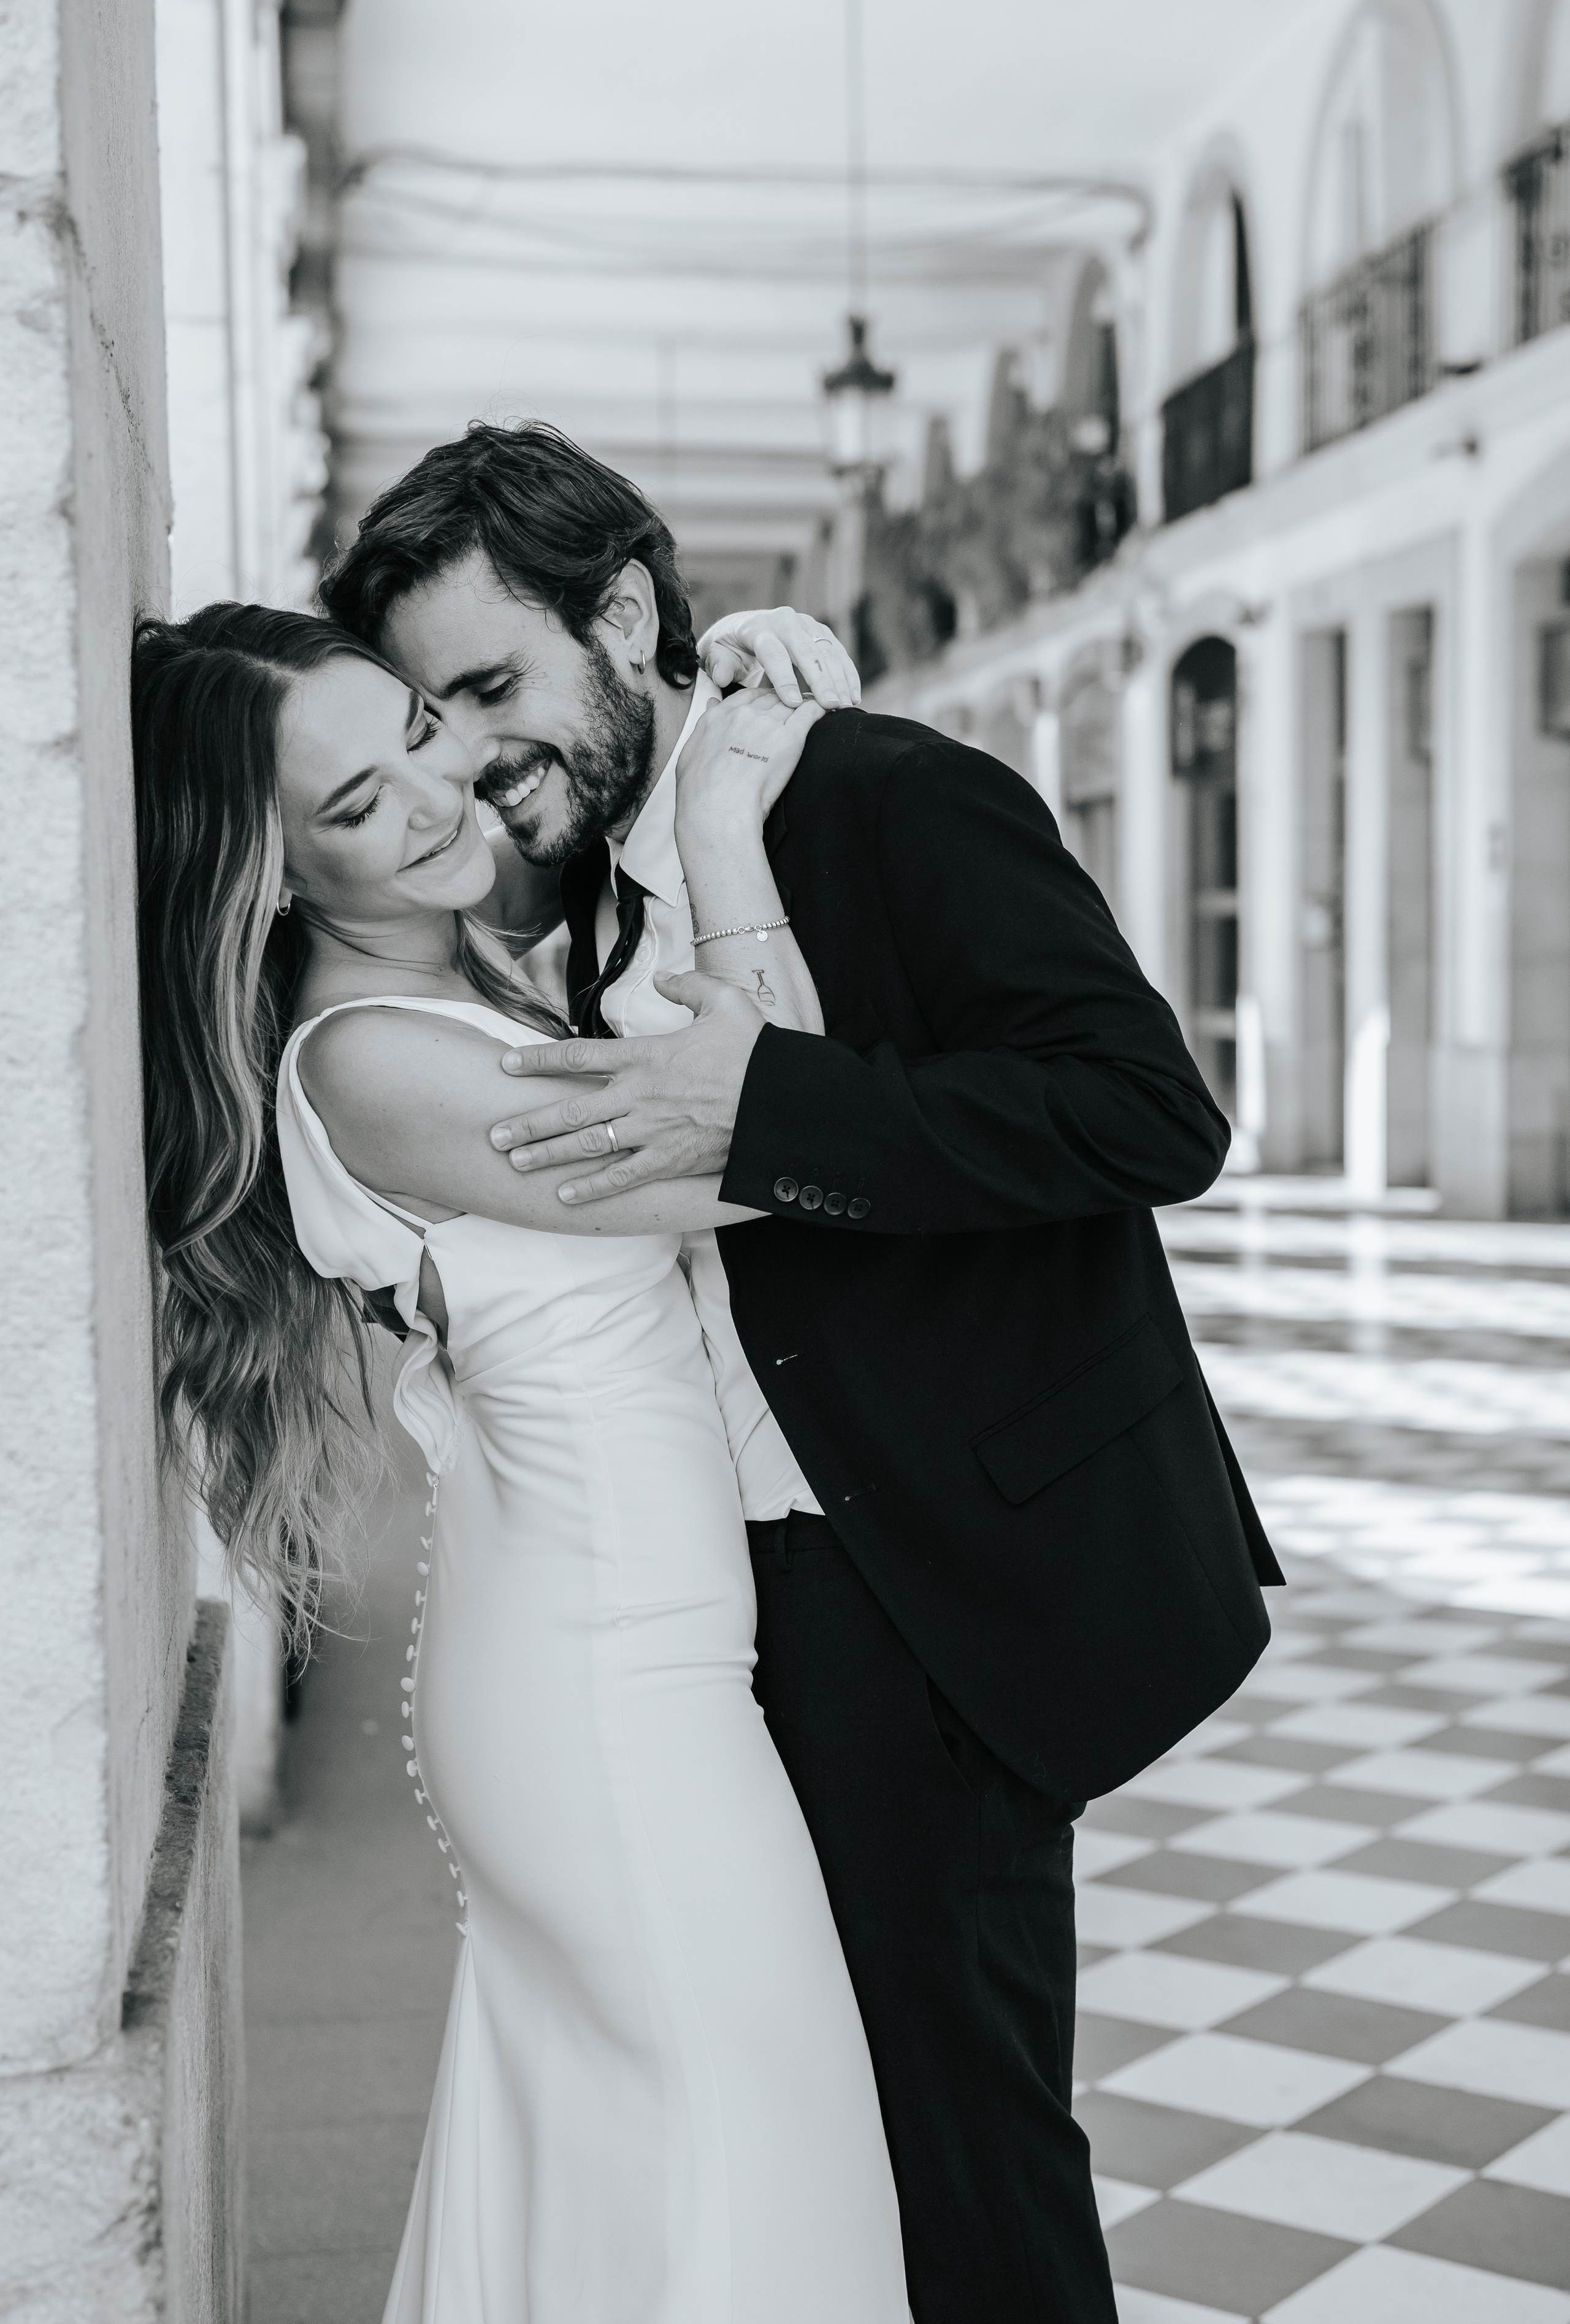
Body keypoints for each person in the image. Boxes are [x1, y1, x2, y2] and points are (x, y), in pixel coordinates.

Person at [322, 420, 1285, 2324]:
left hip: (927, 1573)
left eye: (496, 686)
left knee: (962, 2141)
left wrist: (772, 1104)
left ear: (621, 615)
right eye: (435, 715)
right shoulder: (565, 869)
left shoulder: (887, 797)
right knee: (824, 2146)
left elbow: (1147, 1111)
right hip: (726, 1602)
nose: (472, 753)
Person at [131, 600, 910, 2324]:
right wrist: (719, 826)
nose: (431, 788)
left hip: (627, 1660)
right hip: (602, 1693)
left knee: (659, 2177)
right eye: (352, 802)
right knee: (747, 2165)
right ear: (268, 874)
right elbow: (788, 1134)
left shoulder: (454, 1004)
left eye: (412, 727)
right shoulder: (382, 1063)